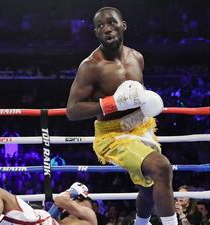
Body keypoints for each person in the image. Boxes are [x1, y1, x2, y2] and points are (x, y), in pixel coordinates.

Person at [66, 6, 177, 225]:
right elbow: (72, 110)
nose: (106, 29)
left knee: (148, 188)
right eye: (100, 26)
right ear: (96, 32)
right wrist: (111, 103)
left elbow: (138, 95)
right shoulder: (91, 66)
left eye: (111, 23)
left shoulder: (137, 57)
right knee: (161, 167)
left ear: (123, 25)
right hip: (112, 135)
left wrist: (148, 104)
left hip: (141, 125)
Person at [0, 182, 97, 225]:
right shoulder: (68, 216)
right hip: (39, 219)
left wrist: (72, 191)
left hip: (39, 219)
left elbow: (60, 199)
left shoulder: (89, 214)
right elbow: (56, 209)